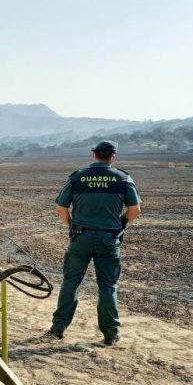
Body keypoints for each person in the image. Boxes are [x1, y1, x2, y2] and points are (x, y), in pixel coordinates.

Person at [49, 141, 141, 345]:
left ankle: (58, 327)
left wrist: (72, 226)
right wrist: (119, 225)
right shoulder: (123, 178)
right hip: (109, 239)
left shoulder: (78, 177)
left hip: (81, 237)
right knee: (107, 286)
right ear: (113, 158)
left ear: (94, 155)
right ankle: (110, 334)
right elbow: (135, 210)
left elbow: (61, 209)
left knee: (71, 282)